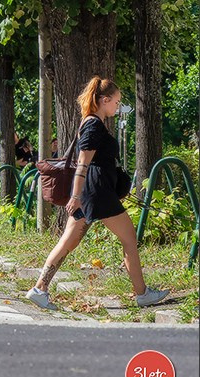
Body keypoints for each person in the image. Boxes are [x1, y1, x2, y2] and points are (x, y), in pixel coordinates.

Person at [25, 76, 170, 310]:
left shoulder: (93, 123)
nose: (117, 106)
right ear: (104, 100)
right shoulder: (93, 124)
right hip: (97, 193)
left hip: (91, 192)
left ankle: (39, 289)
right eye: (116, 101)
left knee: (68, 242)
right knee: (129, 238)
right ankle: (142, 293)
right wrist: (75, 195)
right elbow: (83, 164)